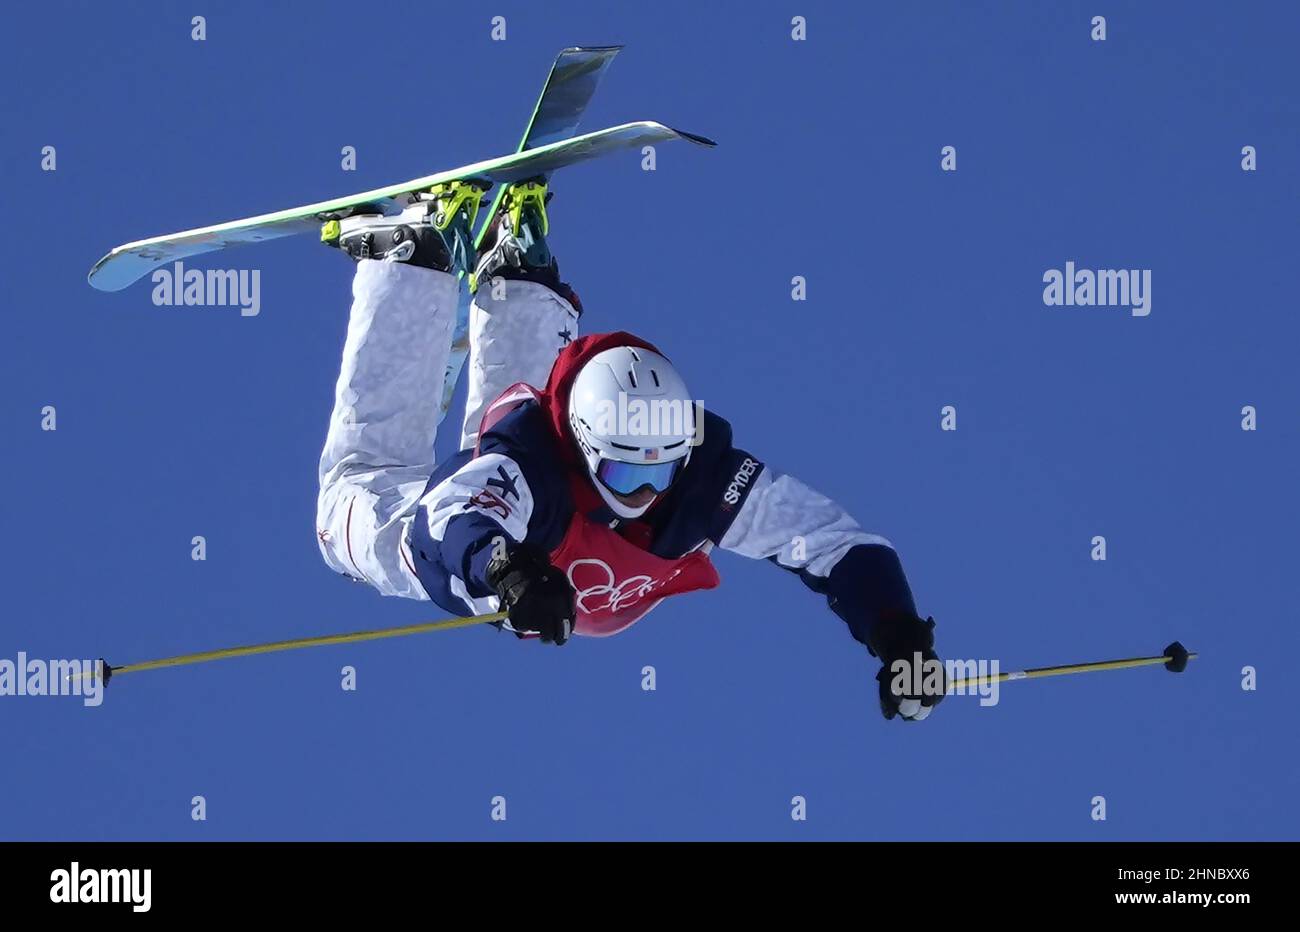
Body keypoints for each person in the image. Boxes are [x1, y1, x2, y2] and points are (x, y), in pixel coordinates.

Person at [314, 178, 944, 721]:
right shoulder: (528, 467)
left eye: (661, 467)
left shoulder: (702, 480)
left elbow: (831, 541)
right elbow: (448, 518)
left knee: (515, 413)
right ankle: (409, 263)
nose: (645, 492)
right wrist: (508, 572)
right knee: (357, 497)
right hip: (520, 557)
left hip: (575, 570)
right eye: (621, 470)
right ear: (584, 446)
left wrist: (900, 636)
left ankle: (517, 270)